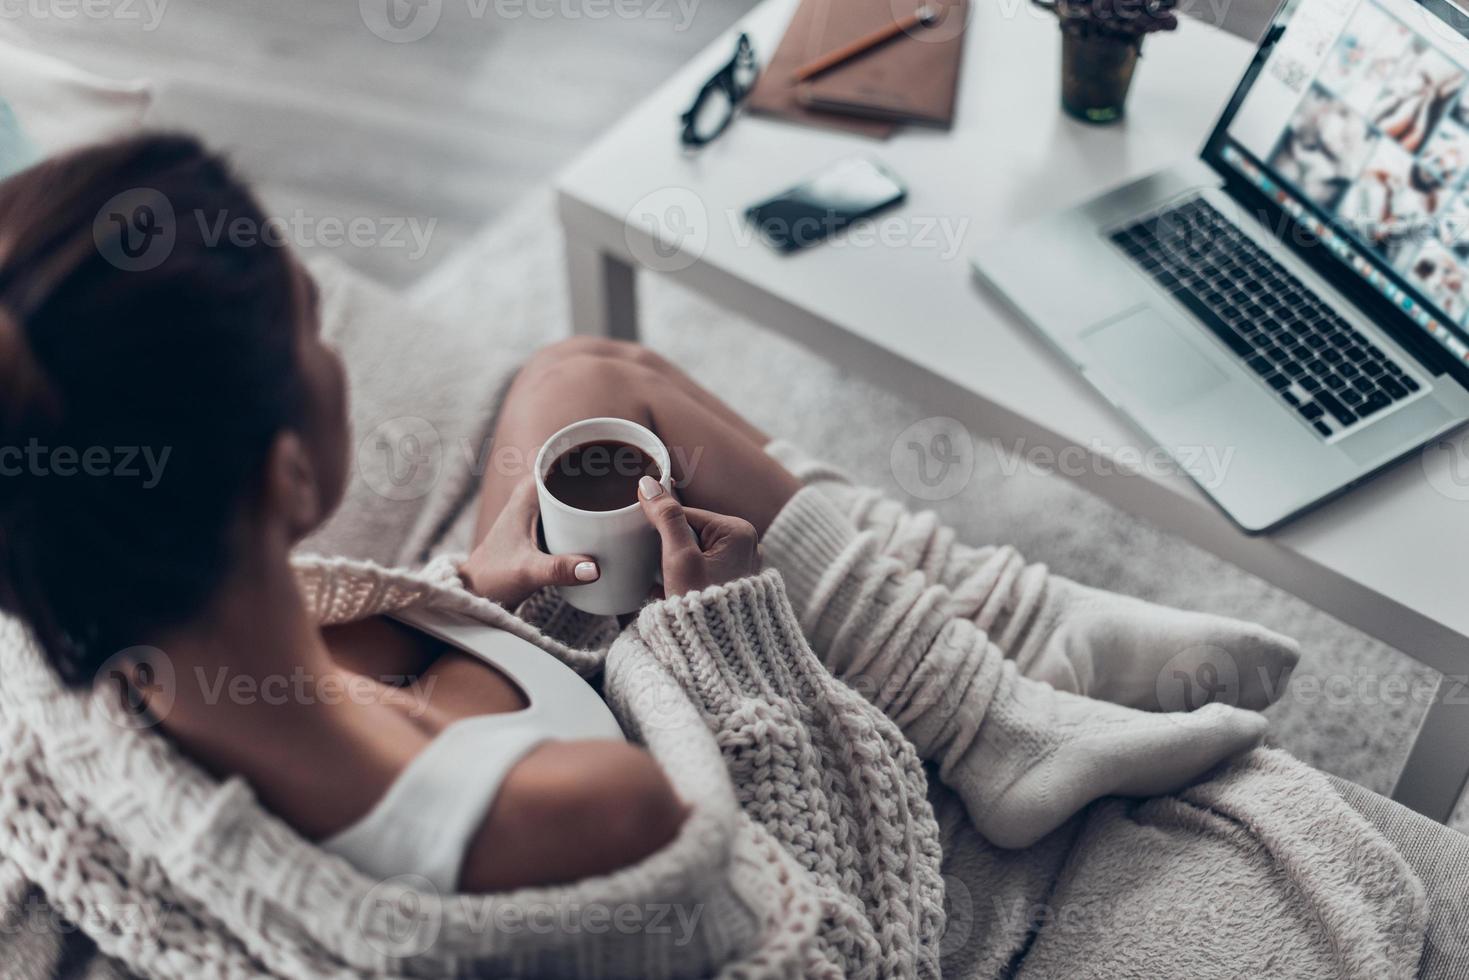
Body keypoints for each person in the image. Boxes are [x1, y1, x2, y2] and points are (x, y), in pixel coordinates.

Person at [0, 134, 1298, 896]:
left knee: (580, 380)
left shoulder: (97, 642)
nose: (336, 351)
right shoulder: (587, 812)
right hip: (637, 730)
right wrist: (718, 641)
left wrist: (465, 587)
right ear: (284, 476)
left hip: (501, 674)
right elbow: (801, 903)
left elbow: (345, 678)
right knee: (616, 425)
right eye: (312, 329)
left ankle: (1016, 664)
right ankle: (989, 717)